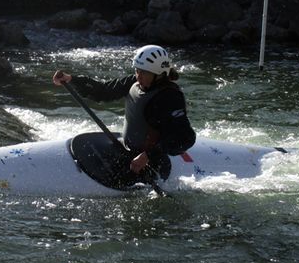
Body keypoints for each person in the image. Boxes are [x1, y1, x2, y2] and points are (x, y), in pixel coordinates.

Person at [52, 44, 196, 181]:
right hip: (127, 150)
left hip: (151, 162)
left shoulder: (169, 97)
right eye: (137, 70)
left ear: (159, 74)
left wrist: (147, 156)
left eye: (144, 72)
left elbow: (185, 137)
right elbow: (103, 92)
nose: (138, 76)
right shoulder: (135, 82)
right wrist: (71, 80)